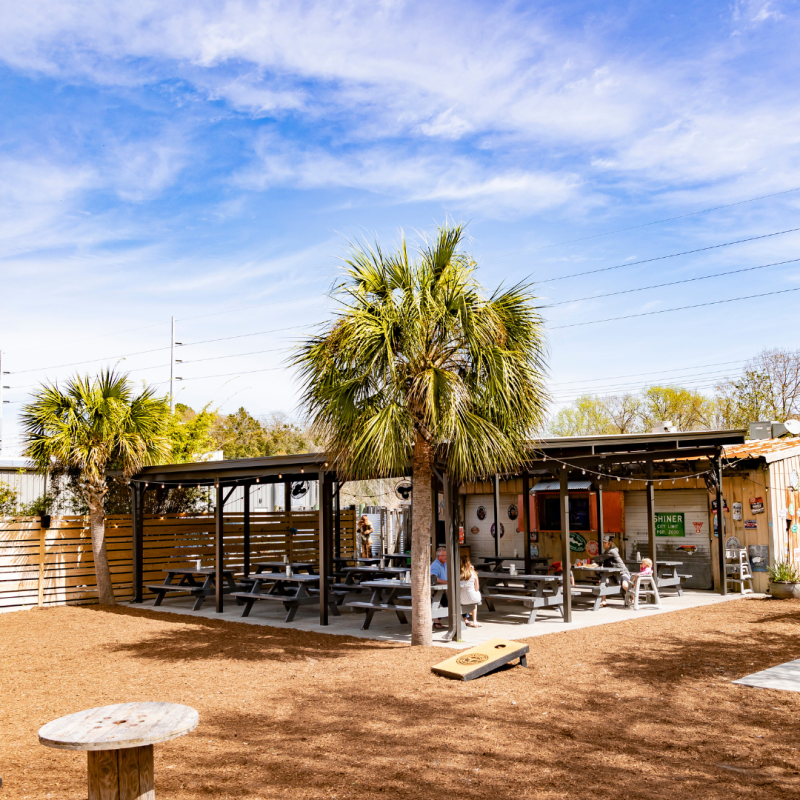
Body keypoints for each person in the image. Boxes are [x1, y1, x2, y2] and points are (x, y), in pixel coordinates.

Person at [592, 536, 632, 607]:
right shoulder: (607, 551)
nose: (603, 544)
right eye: (603, 542)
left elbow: (600, 557)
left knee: (625, 585)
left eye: (605, 543)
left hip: (623, 572)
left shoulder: (611, 551)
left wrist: (589, 560)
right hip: (613, 574)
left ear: (610, 543)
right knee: (602, 582)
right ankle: (603, 600)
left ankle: (634, 598)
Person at [459, 555, 482, 627]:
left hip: (462, 599)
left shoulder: (458, 574)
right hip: (473, 598)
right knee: (474, 602)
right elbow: (477, 588)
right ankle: (475, 620)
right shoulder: (474, 573)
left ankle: (462, 618)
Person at [430, 546, 448, 628]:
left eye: (446, 555)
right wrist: (447, 582)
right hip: (438, 589)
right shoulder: (435, 565)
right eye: (444, 555)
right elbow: (434, 578)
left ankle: (464, 617)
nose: (446, 557)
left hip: (446, 588)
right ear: (438, 557)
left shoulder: (446, 564)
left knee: (458, 600)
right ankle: (436, 619)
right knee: (448, 603)